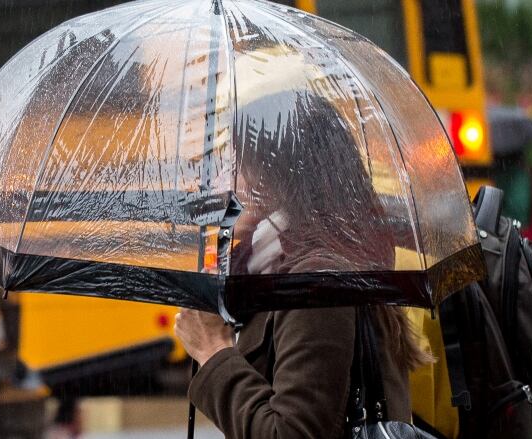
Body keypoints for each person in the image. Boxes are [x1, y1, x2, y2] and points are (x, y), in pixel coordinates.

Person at [174, 93, 431, 439]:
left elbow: (292, 433)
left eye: (234, 165)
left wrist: (214, 351)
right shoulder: (275, 272)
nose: (220, 183)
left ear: (273, 178)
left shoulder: (315, 283)